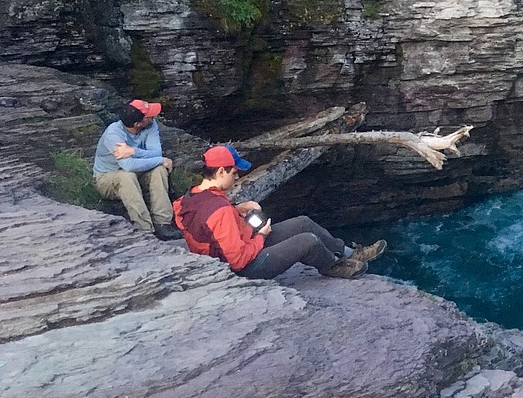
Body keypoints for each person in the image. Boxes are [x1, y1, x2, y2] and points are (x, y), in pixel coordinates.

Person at [173, 144, 386, 280]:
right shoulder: (218, 210)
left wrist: (236, 209)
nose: (237, 177)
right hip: (244, 267)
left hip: (241, 244)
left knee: (303, 222)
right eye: (234, 172)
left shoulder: (190, 197)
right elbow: (238, 260)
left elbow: (206, 222)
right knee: (307, 241)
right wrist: (261, 237)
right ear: (220, 171)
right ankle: (334, 266)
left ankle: (350, 252)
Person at [93, 100, 182, 240]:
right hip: (107, 178)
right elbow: (128, 165)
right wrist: (160, 159)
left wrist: (133, 150)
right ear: (137, 124)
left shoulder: (151, 125)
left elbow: (156, 152)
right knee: (126, 176)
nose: (153, 117)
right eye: (149, 116)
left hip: (137, 173)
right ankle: (145, 228)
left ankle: (163, 223)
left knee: (159, 169)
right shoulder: (113, 134)